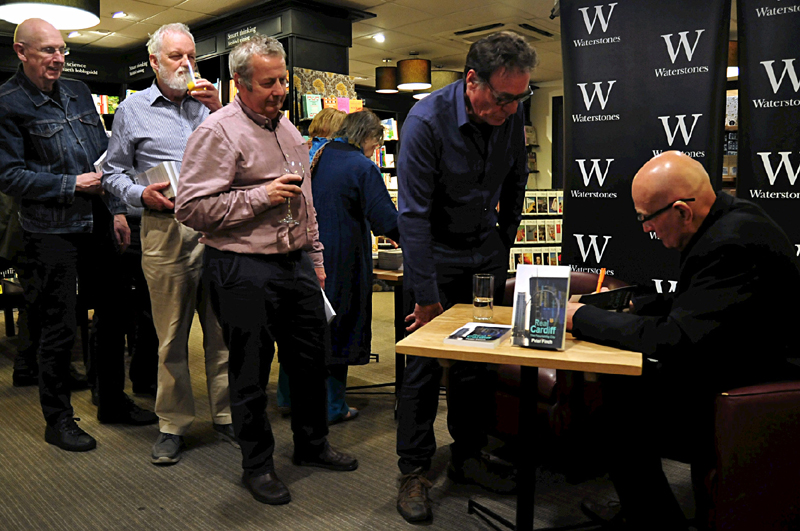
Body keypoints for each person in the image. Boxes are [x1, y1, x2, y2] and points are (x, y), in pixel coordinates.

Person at [566, 151, 800, 530]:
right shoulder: (732, 220)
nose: (646, 228)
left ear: (681, 212)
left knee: (619, 421)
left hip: (754, 390)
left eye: (646, 218)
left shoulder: (728, 243)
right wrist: (631, 304)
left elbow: (675, 338)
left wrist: (580, 317)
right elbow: (700, 304)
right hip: (741, 366)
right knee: (622, 394)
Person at [175, 34, 358, 506]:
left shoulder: (290, 129)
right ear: (239, 82)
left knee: (310, 361)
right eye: (268, 83)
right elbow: (189, 208)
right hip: (241, 267)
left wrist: (316, 261)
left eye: (282, 81)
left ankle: (312, 444)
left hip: (295, 264)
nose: (279, 91)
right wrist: (260, 196)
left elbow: (307, 202)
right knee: (250, 371)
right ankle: (257, 465)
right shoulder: (217, 132)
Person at [395, 31, 537, 523]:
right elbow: (412, 215)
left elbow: (517, 179)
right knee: (422, 366)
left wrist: (504, 241)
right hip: (433, 255)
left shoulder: (510, 112)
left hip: (485, 255)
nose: (511, 109)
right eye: (503, 98)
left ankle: (467, 455)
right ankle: (414, 469)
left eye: (520, 98)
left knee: (477, 363)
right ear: (472, 80)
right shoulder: (425, 122)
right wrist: (425, 295)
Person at [0, 18, 156, 452]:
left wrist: (118, 211)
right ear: (21, 52)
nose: (58, 58)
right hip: (50, 230)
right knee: (59, 325)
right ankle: (58, 419)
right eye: (47, 50)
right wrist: (71, 185)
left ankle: (112, 401)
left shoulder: (79, 91)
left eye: (62, 50)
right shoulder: (8, 103)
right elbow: (9, 176)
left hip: (99, 220)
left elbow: (100, 157)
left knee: (114, 314)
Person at [102, 23, 234, 466]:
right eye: (176, 56)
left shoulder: (212, 106)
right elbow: (112, 172)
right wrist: (141, 195)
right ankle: (173, 424)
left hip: (217, 229)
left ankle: (226, 415)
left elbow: (239, 156)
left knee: (221, 330)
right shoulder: (132, 109)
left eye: (191, 56)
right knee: (171, 336)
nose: (186, 64)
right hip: (164, 228)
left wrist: (221, 110)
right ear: (154, 62)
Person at [310, 109, 399, 423]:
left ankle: (295, 399)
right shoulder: (361, 166)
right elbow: (385, 219)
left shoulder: (318, 155)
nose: (377, 148)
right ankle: (333, 406)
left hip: (311, 255)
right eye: (376, 142)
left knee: (314, 328)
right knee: (342, 327)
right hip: (343, 257)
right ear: (367, 136)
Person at [276, 105, 346, 417]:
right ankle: (328, 404)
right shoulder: (337, 159)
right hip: (325, 248)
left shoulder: (298, 152)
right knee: (321, 330)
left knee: (290, 329)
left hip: (291, 248)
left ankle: (286, 396)